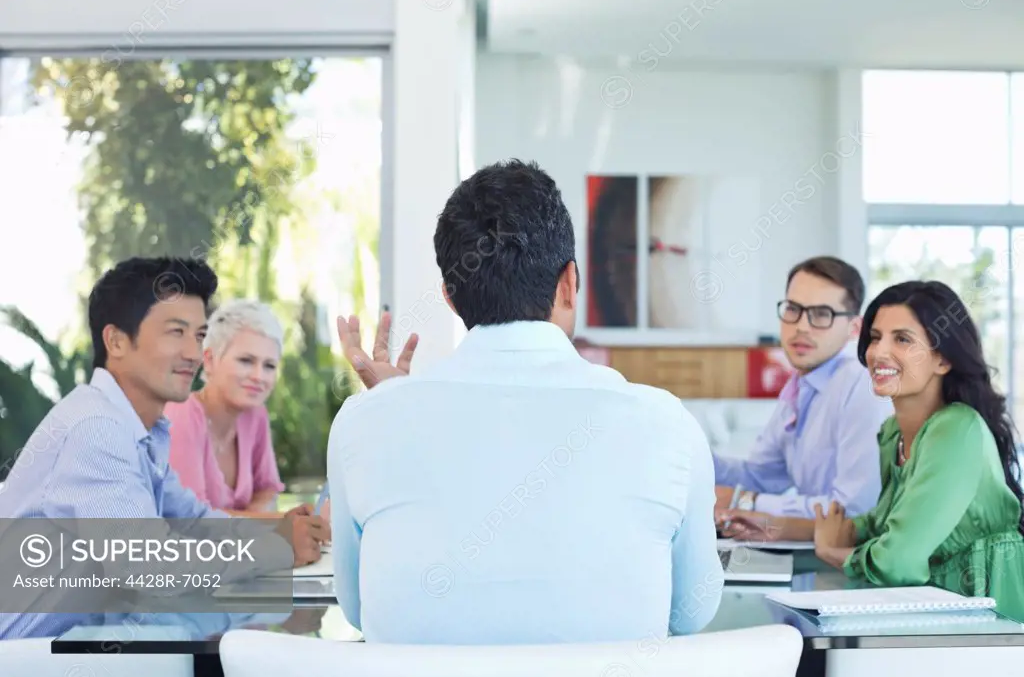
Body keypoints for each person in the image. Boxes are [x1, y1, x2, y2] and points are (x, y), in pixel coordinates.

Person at [327, 159, 723, 644]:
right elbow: (692, 611)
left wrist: (391, 411)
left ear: (450, 298)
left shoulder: (363, 424)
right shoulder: (668, 424)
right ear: (569, 283)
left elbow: (359, 609)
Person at [0, 257, 326, 639]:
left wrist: (279, 534)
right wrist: (278, 550)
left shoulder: (139, 430)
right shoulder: (96, 429)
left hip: (88, 632)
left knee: (251, 619)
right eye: (176, 332)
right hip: (29, 654)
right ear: (116, 340)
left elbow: (192, 520)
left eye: (199, 335)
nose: (193, 353)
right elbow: (149, 567)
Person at [814, 280, 1024, 621]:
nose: (878, 352)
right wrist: (774, 524)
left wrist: (833, 551)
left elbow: (897, 562)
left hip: (994, 632)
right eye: (875, 336)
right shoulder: (893, 433)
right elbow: (887, 522)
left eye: (902, 339)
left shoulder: (957, 428)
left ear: (942, 360)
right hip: (931, 621)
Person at [714, 257, 892, 542]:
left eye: (821, 314)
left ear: (854, 329)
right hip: (814, 556)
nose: (802, 326)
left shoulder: (862, 385)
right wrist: (693, 456)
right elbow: (762, 475)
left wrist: (747, 501)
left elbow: (852, 509)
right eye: (793, 309)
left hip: (853, 566)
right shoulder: (801, 383)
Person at [165, 299, 286, 516]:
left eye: (269, 366)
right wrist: (275, 523)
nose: (259, 376)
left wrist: (258, 522)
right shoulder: (180, 415)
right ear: (209, 360)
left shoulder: (255, 415)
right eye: (246, 361)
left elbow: (267, 491)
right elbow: (191, 521)